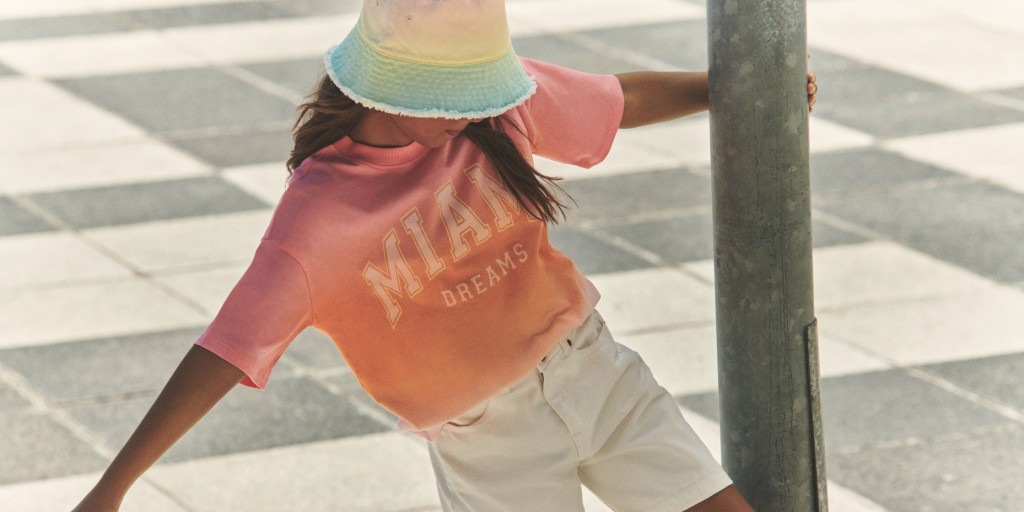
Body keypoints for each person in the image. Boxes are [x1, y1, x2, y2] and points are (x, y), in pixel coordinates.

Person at [73, 1, 817, 511]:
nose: (469, 111)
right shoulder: (321, 217)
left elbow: (614, 99)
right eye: (450, 98)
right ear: (386, 87)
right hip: (490, 438)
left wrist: (737, 90)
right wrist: (111, 489)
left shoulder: (496, 105)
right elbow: (225, 351)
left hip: (596, 372)